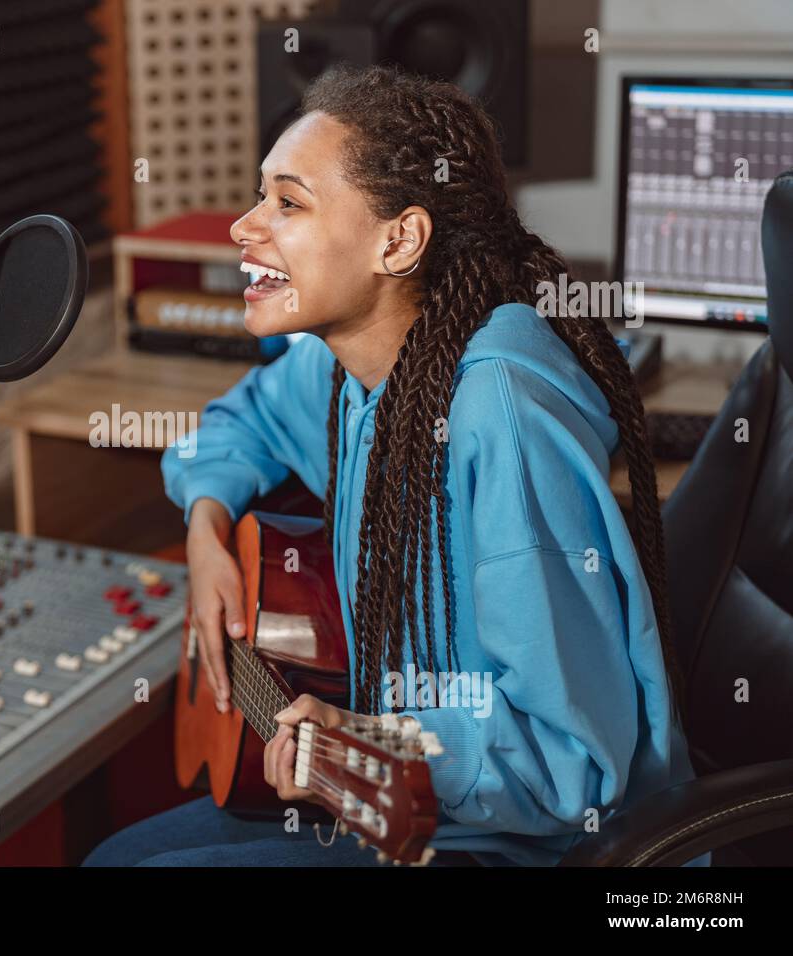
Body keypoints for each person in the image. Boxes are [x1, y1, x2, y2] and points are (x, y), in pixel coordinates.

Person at [84, 64, 705, 867]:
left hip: (520, 845)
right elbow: (237, 424)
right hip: (402, 798)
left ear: (399, 240)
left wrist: (378, 739)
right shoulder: (344, 367)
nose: (243, 226)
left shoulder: (503, 418)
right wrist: (207, 530)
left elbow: (572, 763)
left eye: (287, 203)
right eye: (259, 196)